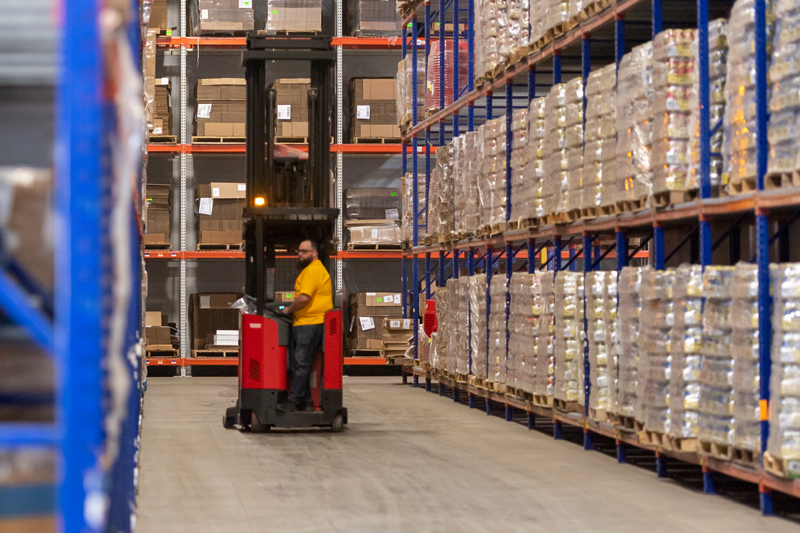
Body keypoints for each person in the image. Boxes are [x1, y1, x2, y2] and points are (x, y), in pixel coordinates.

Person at [276, 239, 333, 412]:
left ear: (314, 253)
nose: (300, 254)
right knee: (298, 363)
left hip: (310, 323)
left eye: (304, 251)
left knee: (301, 363)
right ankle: (307, 401)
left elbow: (304, 298)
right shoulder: (312, 270)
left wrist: (288, 310)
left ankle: (293, 401)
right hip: (306, 322)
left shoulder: (313, 270)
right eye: (299, 251)